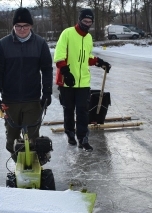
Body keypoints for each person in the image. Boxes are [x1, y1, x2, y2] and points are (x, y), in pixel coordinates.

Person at [0, 7, 53, 161]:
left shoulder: (40, 44)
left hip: (32, 100)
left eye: (25, 26)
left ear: (31, 26)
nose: (22, 29)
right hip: (10, 101)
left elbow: (46, 70)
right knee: (11, 141)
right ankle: (20, 166)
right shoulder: (3, 45)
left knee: (32, 141)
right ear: (13, 26)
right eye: (18, 26)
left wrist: (47, 93)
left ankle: (32, 168)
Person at [54, 8, 111, 152]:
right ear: (79, 20)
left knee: (83, 111)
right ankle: (70, 133)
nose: (87, 24)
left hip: (83, 82)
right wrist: (66, 73)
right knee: (68, 110)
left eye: (90, 22)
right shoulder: (67, 33)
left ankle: (83, 138)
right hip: (68, 81)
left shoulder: (89, 38)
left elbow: (87, 58)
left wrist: (100, 62)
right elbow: (59, 56)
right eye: (85, 21)